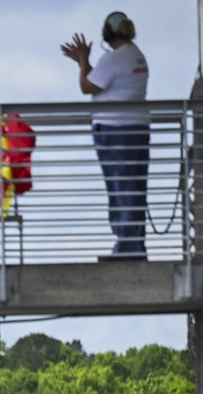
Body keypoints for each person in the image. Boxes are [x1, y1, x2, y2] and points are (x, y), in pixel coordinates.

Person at [61, 12, 150, 259]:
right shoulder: (134, 54)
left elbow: (87, 86)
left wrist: (83, 63)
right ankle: (132, 245)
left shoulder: (114, 59)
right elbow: (99, 80)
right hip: (134, 128)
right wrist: (84, 62)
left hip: (116, 130)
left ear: (107, 34)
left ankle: (127, 247)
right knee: (132, 186)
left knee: (121, 187)